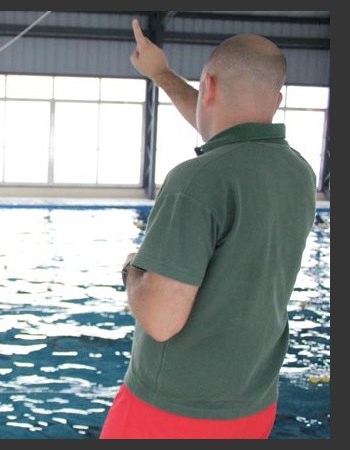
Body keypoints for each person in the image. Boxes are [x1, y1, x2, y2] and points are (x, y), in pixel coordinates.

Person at [100, 19, 317, 439]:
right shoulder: (298, 173)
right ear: (277, 98)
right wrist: (161, 75)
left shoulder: (196, 181)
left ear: (210, 87)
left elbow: (161, 320)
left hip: (171, 412)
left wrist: (133, 271)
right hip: (253, 407)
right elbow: (220, 127)